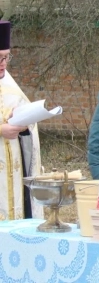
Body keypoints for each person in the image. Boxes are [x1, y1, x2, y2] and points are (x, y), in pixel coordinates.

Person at [0, 20, 42, 220]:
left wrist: (23, 120)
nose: (3, 64)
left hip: (13, 172)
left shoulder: (9, 83)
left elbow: (28, 123)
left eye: (7, 58)